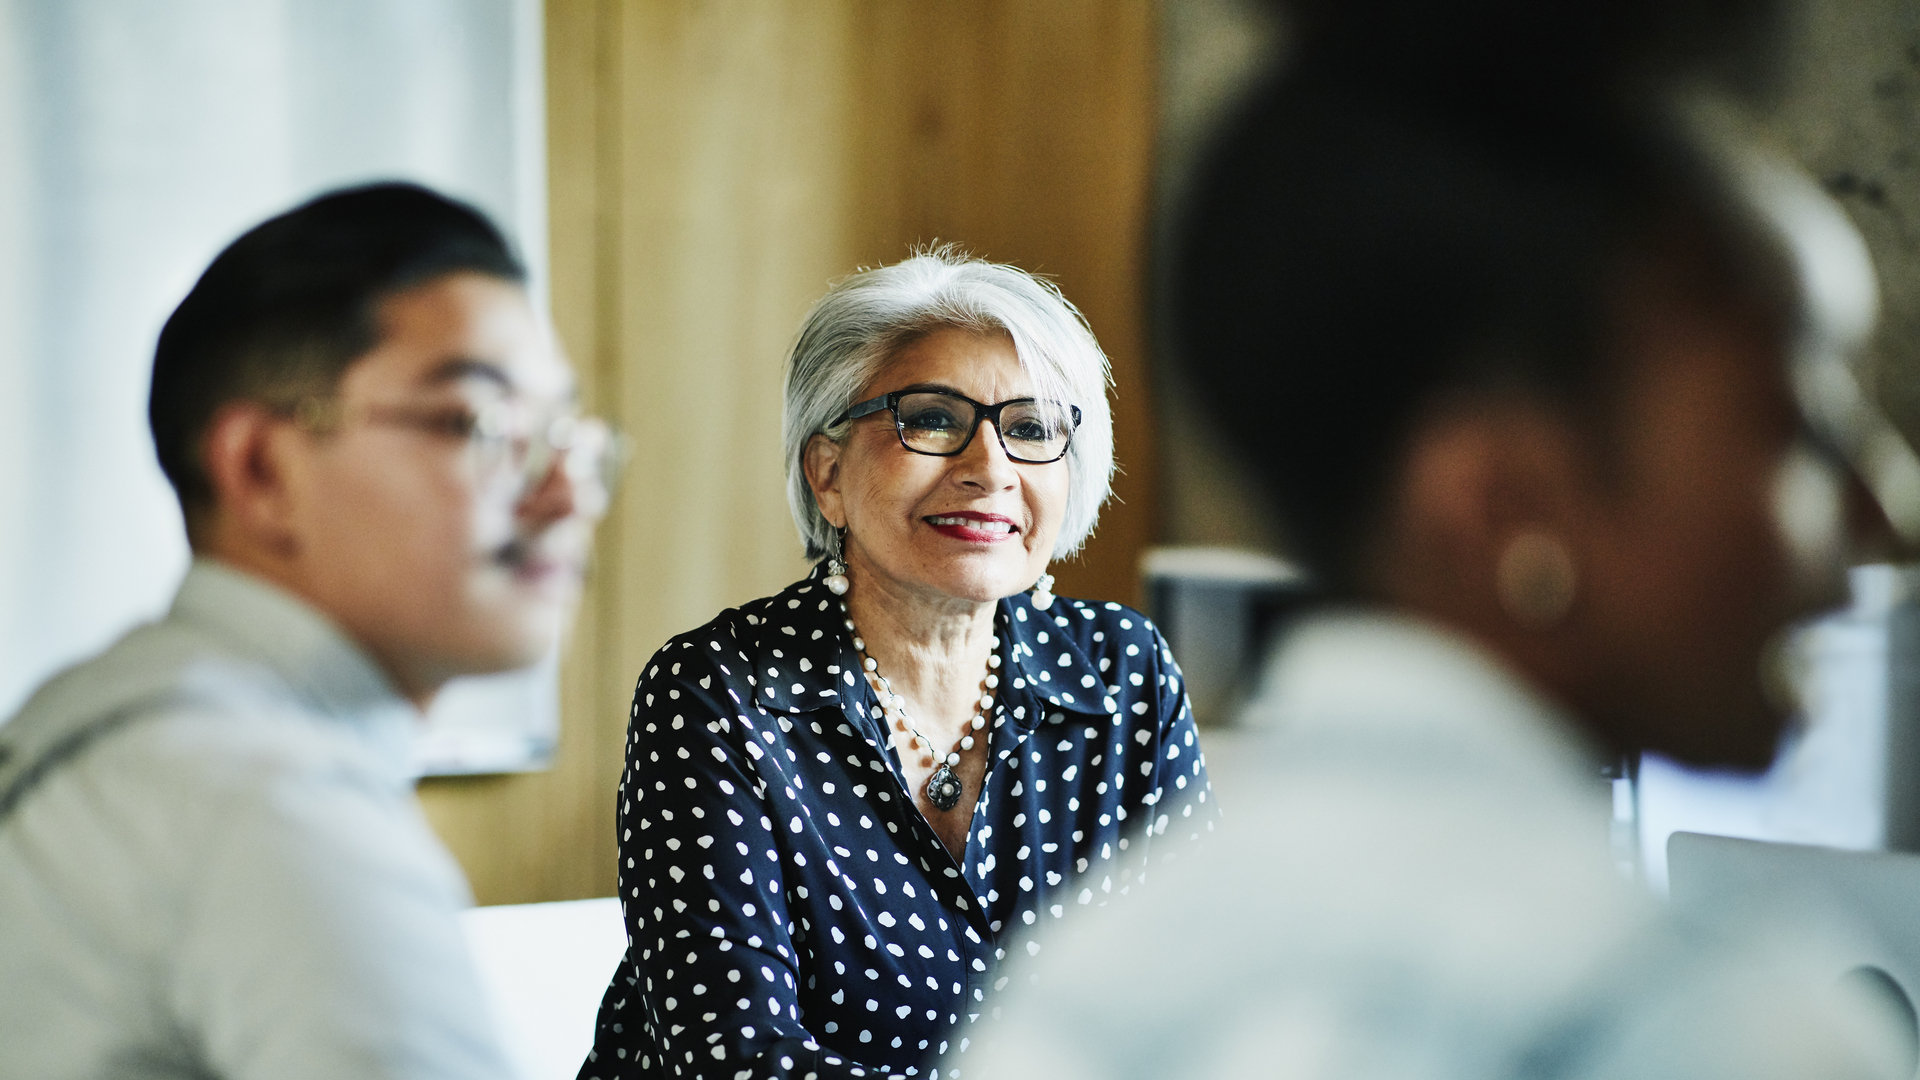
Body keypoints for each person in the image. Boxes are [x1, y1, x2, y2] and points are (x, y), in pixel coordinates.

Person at [944, 3, 1918, 1079]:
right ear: (1503, 508)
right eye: (1800, 430)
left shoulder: (1073, 993)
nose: (1889, 514)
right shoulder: (1716, 1030)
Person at [0, 183, 616, 1080]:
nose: (567, 493)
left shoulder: (104, 718)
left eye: (566, 434)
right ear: (260, 469)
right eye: (480, 423)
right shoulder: (264, 794)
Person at [578, 250, 1217, 1080]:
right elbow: (735, 1061)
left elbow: (1200, 1008)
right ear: (829, 472)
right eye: (934, 419)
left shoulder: (1123, 673)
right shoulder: (718, 693)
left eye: (1029, 428)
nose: (989, 467)